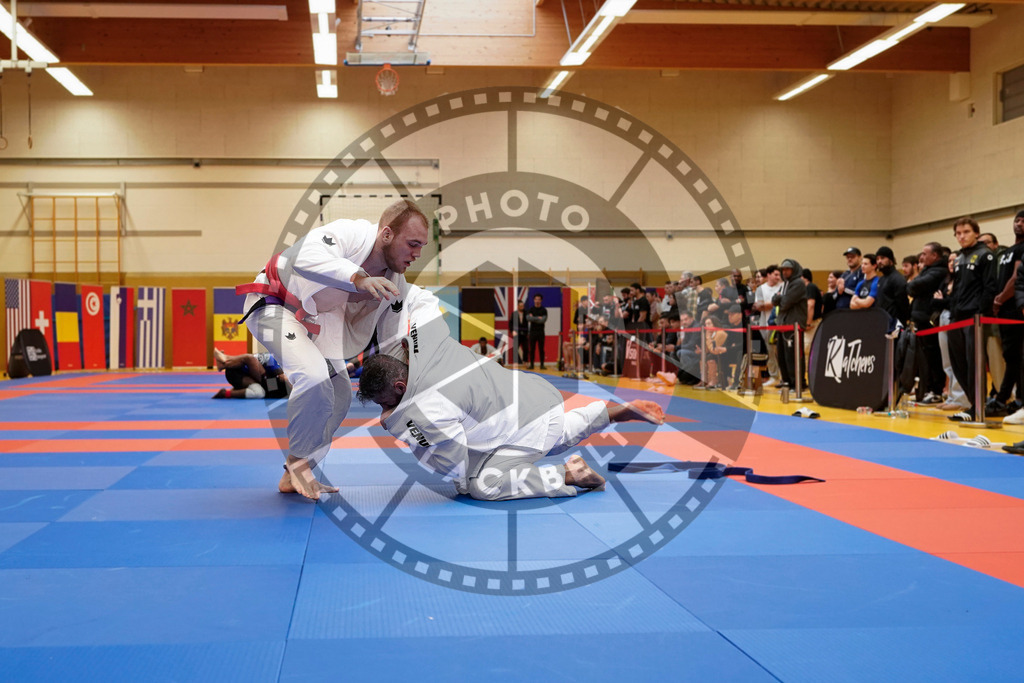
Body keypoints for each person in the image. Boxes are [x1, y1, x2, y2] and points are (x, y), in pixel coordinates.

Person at [356, 297, 665, 501]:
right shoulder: (427, 338)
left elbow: (455, 469)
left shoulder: (426, 412)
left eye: (385, 402)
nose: (386, 409)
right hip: (534, 394)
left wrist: (403, 430)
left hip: (522, 429)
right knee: (552, 432)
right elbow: (419, 298)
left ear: (400, 387)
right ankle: (610, 413)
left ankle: (568, 474)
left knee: (483, 485)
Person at [237, 199, 430, 499]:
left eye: (422, 247)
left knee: (339, 395)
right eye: (413, 244)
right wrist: (359, 279)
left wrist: (399, 394)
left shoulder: (396, 285)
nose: (417, 254)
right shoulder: (350, 233)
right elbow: (304, 255)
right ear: (387, 235)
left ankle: (297, 472)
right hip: (274, 303)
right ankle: (297, 464)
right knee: (313, 377)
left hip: (315, 323)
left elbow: (392, 343)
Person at [947, 216, 997, 421]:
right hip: (956, 317)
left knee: (973, 363)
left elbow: (990, 288)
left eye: (966, 232)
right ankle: (972, 404)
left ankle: (978, 406)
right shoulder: (958, 258)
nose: (962, 236)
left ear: (976, 233)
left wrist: (980, 313)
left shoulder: (986, 256)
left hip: (974, 317)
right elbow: (956, 288)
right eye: (958, 233)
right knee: (957, 362)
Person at [906, 242, 948, 404]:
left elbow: (915, 285)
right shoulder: (928, 270)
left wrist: (912, 285)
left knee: (934, 356)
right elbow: (911, 287)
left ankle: (936, 390)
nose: (921, 257)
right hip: (919, 317)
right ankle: (927, 389)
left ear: (935, 255)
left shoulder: (939, 271)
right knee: (924, 357)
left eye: (925, 253)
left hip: (929, 318)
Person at [992, 211, 1024, 420]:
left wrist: (1000, 299)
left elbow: (1016, 278)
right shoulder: (1006, 251)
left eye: (1023, 221)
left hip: (1014, 309)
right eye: (1017, 220)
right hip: (1003, 311)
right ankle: (1008, 399)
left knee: (1016, 357)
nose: (1019, 224)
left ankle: (1006, 399)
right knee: (1011, 356)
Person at [773, 258, 808, 389]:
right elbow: (775, 301)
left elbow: (785, 302)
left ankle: (797, 383)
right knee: (782, 356)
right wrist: (779, 299)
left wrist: (779, 298)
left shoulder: (798, 283)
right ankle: (787, 381)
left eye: (788, 269)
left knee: (793, 355)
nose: (785, 272)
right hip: (783, 324)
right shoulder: (785, 284)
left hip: (794, 325)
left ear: (794, 270)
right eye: (783, 269)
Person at [212, 347, 290, 399]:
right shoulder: (273, 360)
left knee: (259, 392)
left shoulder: (275, 367)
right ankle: (225, 361)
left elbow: (282, 378)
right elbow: (282, 377)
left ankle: (225, 362)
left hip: (238, 374)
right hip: (236, 371)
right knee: (252, 359)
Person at [753, 264, 783, 386]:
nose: (778, 277)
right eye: (775, 274)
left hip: (780, 324)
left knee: (781, 352)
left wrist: (768, 304)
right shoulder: (761, 289)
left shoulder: (782, 286)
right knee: (769, 352)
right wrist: (775, 302)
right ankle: (773, 376)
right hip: (764, 324)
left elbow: (784, 303)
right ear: (768, 275)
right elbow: (759, 306)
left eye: (779, 275)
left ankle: (783, 377)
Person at [874, 246, 910, 327]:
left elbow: (903, 304)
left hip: (895, 323)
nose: (879, 261)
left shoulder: (897, 279)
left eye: (882, 258)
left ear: (891, 260)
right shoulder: (881, 279)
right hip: (882, 321)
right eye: (877, 259)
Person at [802, 269, 823, 357]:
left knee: (808, 349)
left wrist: (808, 323)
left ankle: (808, 371)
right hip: (810, 322)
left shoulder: (810, 287)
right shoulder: (806, 289)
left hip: (812, 323)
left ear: (804, 278)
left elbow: (810, 305)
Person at [526, 293, 548, 370]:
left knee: (541, 349)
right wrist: (538, 318)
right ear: (534, 300)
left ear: (541, 300)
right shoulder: (531, 309)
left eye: (539, 299)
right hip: (532, 332)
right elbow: (528, 318)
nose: (537, 300)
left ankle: (542, 365)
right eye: (536, 299)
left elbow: (543, 320)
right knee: (532, 349)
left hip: (541, 332)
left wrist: (534, 318)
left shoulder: (544, 310)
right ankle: (531, 364)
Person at [511, 300, 528, 365]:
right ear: (518, 306)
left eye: (523, 306)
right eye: (520, 306)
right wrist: (512, 331)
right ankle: (516, 361)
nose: (522, 307)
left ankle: (525, 361)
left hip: (524, 333)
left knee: (526, 348)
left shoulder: (527, 313)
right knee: (515, 348)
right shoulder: (514, 314)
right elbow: (511, 323)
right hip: (517, 333)